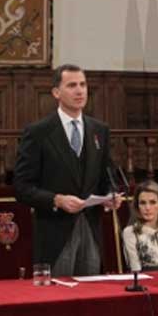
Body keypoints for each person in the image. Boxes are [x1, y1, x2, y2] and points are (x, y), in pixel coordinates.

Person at [13, 64, 120, 277]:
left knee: (91, 297)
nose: (79, 91)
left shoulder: (99, 130)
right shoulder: (38, 132)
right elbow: (22, 187)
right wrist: (57, 200)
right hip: (55, 232)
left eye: (83, 85)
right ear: (56, 92)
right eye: (72, 85)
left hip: (91, 227)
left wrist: (111, 195)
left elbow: (107, 175)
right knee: (58, 298)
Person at [121, 181, 158, 271]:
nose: (147, 208)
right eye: (143, 203)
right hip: (145, 281)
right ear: (137, 207)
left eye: (152, 202)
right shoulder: (130, 232)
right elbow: (135, 269)